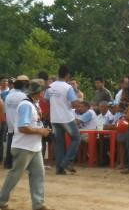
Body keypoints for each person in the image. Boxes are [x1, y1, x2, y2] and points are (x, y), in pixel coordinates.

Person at [0, 79, 52, 210]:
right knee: (15, 174)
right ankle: (1, 200)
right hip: (24, 147)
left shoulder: (33, 104)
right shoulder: (26, 105)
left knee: (38, 174)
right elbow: (23, 127)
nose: (43, 94)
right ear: (38, 92)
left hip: (33, 147)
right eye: (42, 91)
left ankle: (38, 204)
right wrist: (41, 131)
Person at [46, 65, 81, 175]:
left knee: (59, 143)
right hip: (66, 118)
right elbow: (75, 103)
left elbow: (46, 99)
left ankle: (59, 169)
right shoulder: (68, 87)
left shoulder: (50, 86)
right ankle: (66, 161)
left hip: (54, 118)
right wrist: (76, 101)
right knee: (76, 138)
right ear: (67, 75)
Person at [4, 75, 29, 170]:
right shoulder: (24, 96)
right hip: (19, 124)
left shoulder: (8, 96)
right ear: (22, 86)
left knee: (10, 143)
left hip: (10, 122)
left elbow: (6, 111)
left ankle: (8, 163)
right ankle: (19, 163)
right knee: (21, 145)